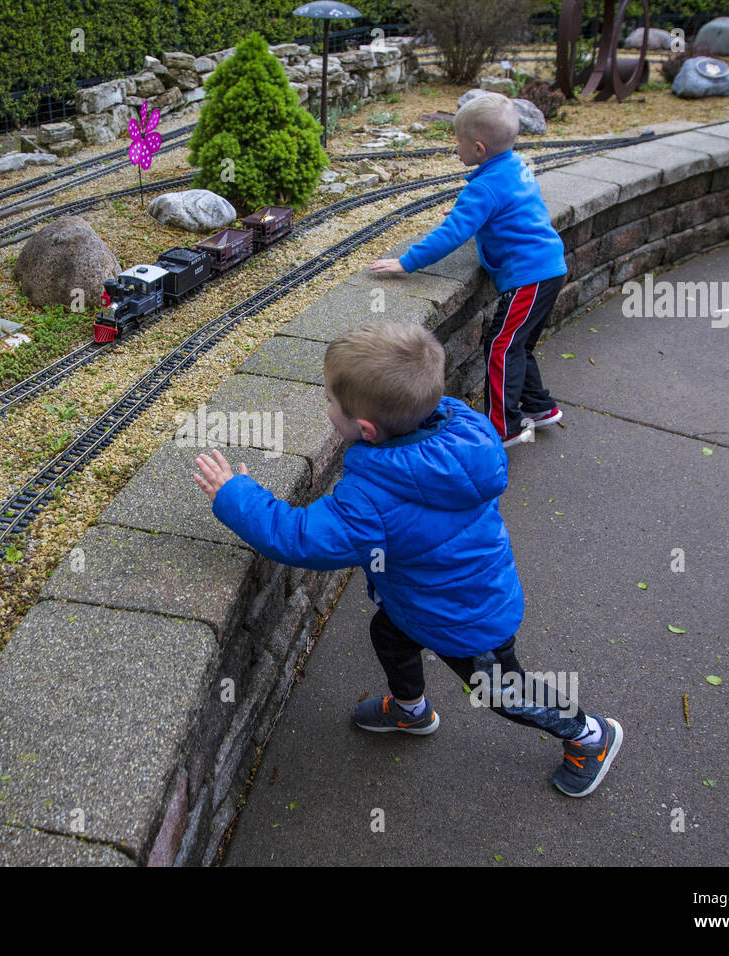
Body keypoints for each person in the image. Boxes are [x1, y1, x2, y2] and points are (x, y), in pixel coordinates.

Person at [192, 321, 622, 797]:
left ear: (367, 430)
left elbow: (298, 538)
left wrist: (236, 495)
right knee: (388, 636)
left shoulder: (371, 498)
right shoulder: (458, 426)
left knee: (500, 691)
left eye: (332, 402)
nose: (327, 407)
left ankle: (590, 735)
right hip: (425, 600)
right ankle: (411, 710)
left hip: (465, 617)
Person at [370, 92, 568, 448]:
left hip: (529, 277)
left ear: (478, 148)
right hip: (548, 268)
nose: (454, 147)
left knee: (502, 347)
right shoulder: (515, 166)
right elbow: (511, 212)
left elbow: (452, 234)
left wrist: (406, 261)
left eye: (457, 141)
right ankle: (539, 406)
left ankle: (501, 427)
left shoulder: (484, 188)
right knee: (518, 345)